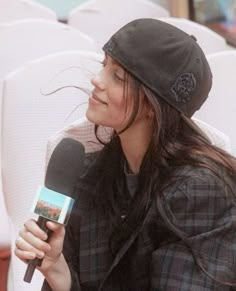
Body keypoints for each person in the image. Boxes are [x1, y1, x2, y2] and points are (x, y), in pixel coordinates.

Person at [15, 18, 236, 290]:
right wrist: (57, 270)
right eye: (104, 65)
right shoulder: (86, 174)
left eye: (117, 76)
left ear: (154, 105)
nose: (96, 80)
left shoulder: (202, 192)